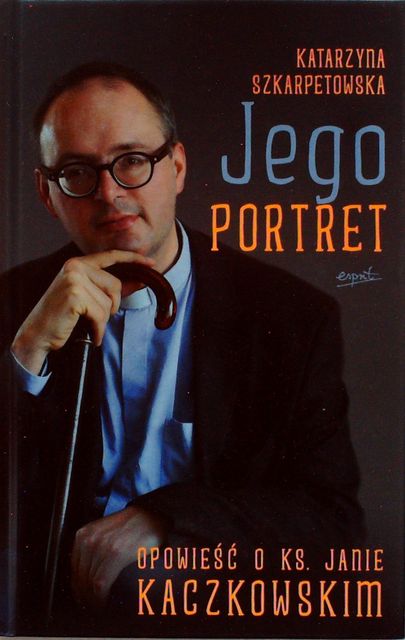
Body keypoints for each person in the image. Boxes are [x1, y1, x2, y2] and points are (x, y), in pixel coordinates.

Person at [0, 62, 364, 636]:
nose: (110, 194)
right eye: (76, 172)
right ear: (48, 194)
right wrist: (25, 356)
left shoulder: (294, 316)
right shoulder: (11, 305)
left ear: (177, 167)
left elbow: (332, 521)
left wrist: (165, 519)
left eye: (132, 161)